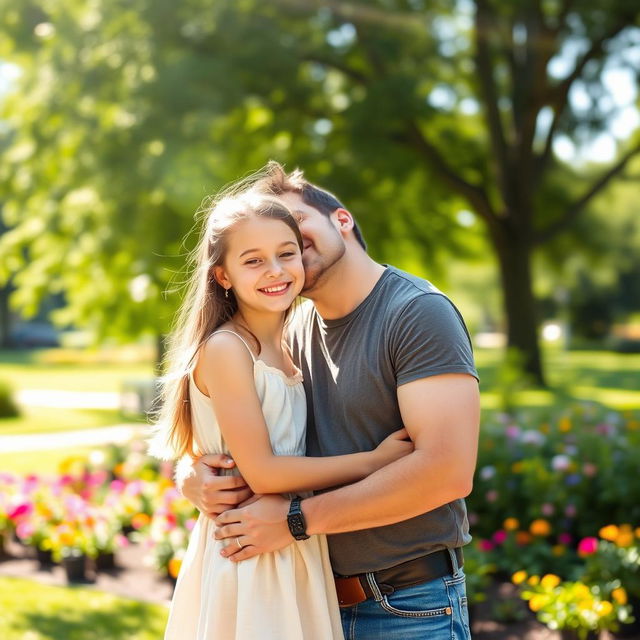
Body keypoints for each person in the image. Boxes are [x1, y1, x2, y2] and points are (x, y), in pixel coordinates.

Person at [178, 162, 481, 640]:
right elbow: (245, 429)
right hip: (301, 595)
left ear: (341, 220)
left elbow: (447, 471)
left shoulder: (416, 313)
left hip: (405, 606)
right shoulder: (286, 331)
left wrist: (295, 522)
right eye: (258, 250)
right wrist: (193, 475)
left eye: (294, 230)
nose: (286, 251)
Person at [151, 187, 414, 640]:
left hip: (293, 548)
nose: (275, 271)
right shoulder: (227, 348)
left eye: (286, 253)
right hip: (251, 554)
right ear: (223, 275)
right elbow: (265, 474)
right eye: (253, 260)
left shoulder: (293, 341)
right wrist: (374, 461)